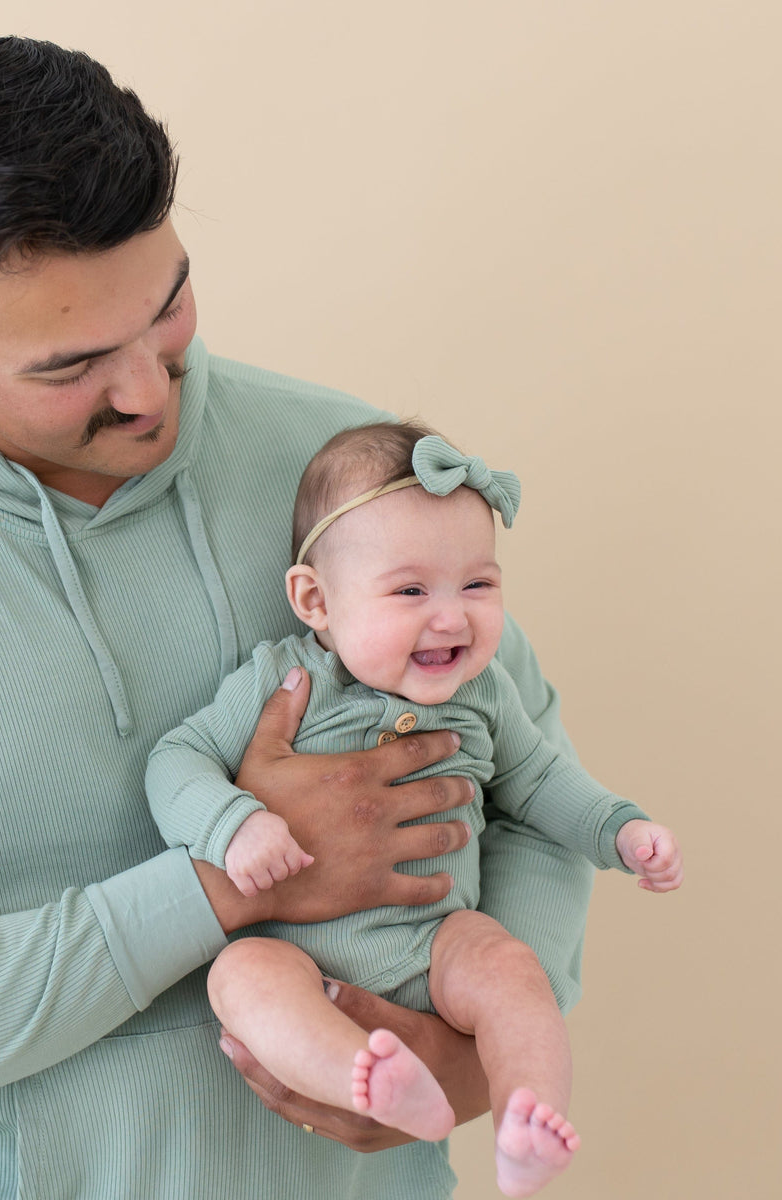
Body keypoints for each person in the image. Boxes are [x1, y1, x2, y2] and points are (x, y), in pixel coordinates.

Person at [0, 34, 598, 1199]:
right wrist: (227, 879)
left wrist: (477, 1055)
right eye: (70, 365)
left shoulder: (347, 472)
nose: (145, 392)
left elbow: (528, 796)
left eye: (168, 308)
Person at [146, 421, 683, 1196]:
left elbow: (539, 781)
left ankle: (526, 1119)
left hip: (440, 947)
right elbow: (175, 760)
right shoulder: (284, 683)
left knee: (509, 966)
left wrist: (619, 830)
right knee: (243, 976)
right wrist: (234, 825)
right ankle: (365, 1076)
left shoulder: (484, 692)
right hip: (304, 957)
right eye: (410, 591)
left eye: (478, 585)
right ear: (315, 599)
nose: (452, 617)